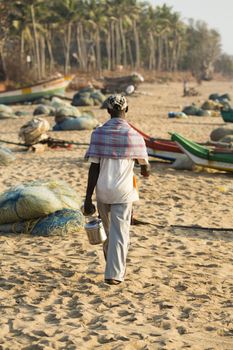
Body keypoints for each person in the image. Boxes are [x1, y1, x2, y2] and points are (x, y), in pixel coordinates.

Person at [84, 94, 150, 285]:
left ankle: (112, 264)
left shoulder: (98, 134)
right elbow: (145, 168)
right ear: (126, 110)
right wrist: (145, 169)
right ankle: (114, 275)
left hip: (102, 192)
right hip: (123, 192)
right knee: (120, 234)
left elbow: (94, 168)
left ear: (108, 111)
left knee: (108, 232)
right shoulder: (134, 136)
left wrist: (88, 198)